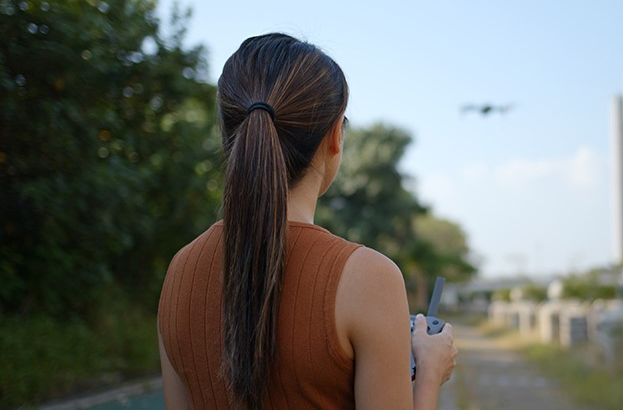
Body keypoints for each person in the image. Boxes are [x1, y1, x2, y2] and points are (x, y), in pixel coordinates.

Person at [157, 33, 458, 410]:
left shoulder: (180, 272)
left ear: (228, 135)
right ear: (335, 136)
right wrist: (428, 375)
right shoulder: (368, 278)